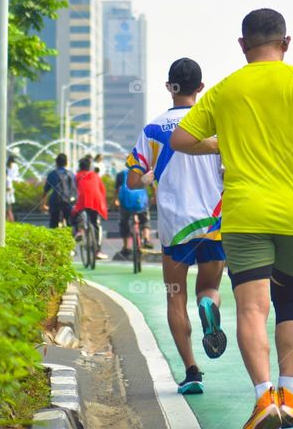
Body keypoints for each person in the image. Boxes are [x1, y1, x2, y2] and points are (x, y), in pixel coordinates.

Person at [170, 9, 293, 429]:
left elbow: (180, 138)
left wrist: (221, 145)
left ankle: (263, 398)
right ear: (286, 43)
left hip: (245, 212)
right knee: (289, 300)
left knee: (251, 307)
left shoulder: (226, 89)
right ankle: (291, 396)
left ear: (243, 45)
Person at [127, 57, 227, 395]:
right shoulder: (215, 128)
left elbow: (132, 180)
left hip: (174, 226)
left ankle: (192, 371)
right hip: (212, 221)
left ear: (169, 87)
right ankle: (209, 305)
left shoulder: (152, 129)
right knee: (209, 286)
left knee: (175, 296)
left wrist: (153, 175)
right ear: (201, 88)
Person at [73, 156, 108, 260]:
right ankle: (97, 251)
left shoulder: (77, 176)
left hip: (82, 200)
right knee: (96, 224)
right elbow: (102, 190)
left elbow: (74, 190)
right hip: (95, 201)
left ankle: (79, 231)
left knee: (74, 216)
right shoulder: (96, 176)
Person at [114, 167, 153, 259]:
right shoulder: (144, 172)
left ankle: (126, 246)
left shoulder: (121, 174)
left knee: (124, 222)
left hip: (126, 203)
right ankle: (147, 239)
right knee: (145, 220)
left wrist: (115, 200)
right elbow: (153, 186)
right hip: (141, 203)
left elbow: (117, 189)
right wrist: (154, 197)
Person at [42, 153, 76, 229]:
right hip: (68, 201)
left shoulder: (52, 174)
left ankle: (54, 238)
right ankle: (71, 236)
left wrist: (43, 204)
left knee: (53, 223)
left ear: (56, 163)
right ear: (66, 163)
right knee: (70, 222)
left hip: (55, 201)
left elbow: (46, 190)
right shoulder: (71, 174)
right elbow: (75, 189)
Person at [6, 156, 18, 222]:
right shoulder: (14, 166)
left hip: (7, 196)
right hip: (8, 195)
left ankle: (11, 222)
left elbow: (9, 188)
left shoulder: (8, 179)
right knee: (8, 210)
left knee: (8, 210)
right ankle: (9, 223)